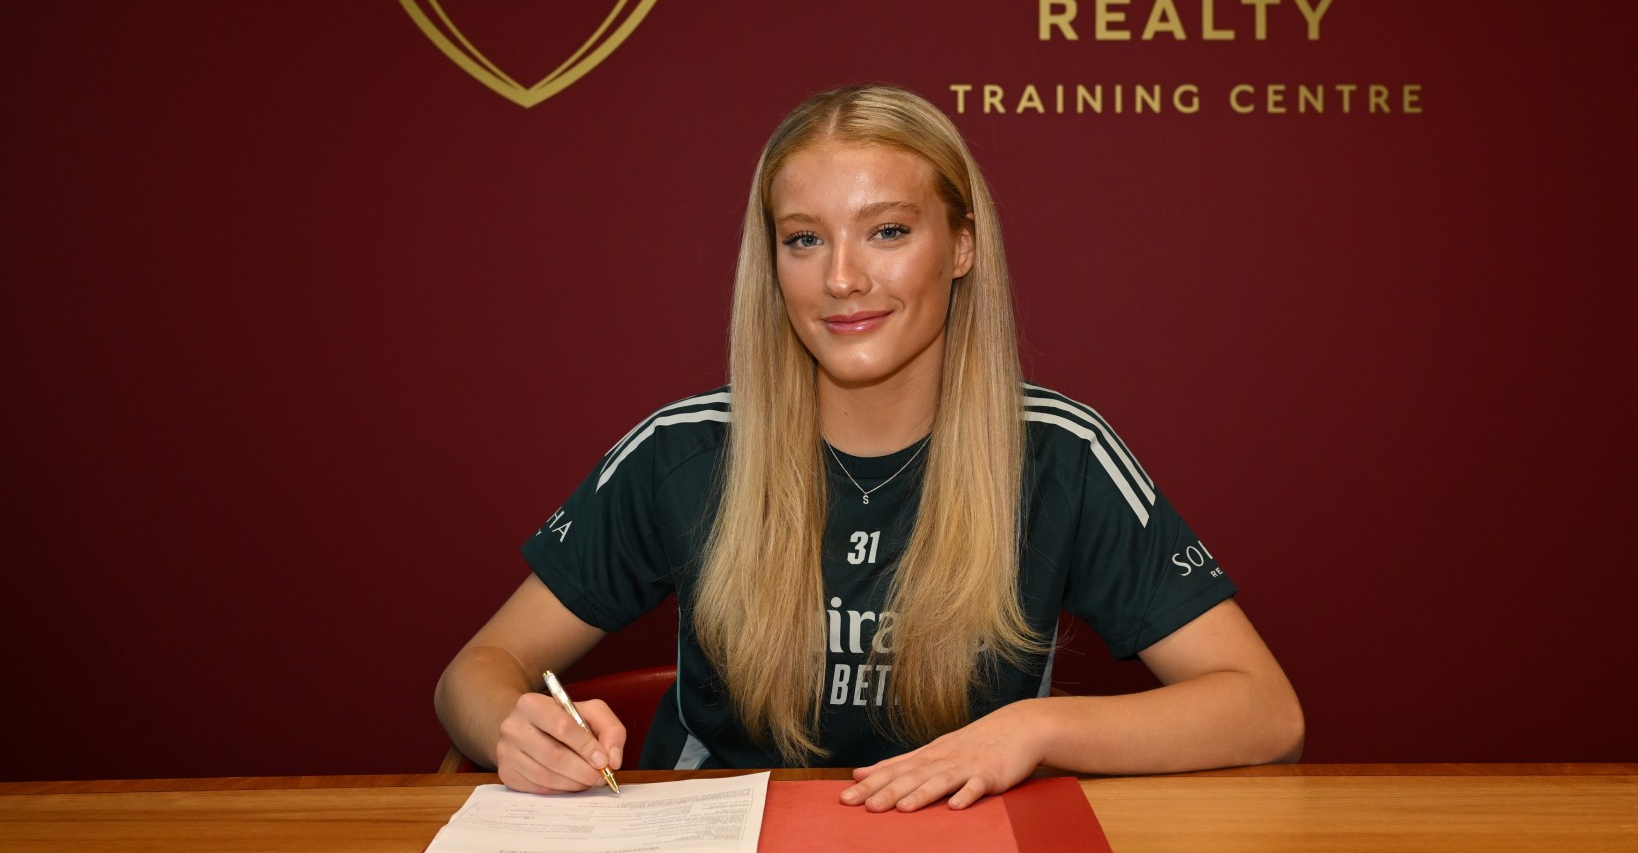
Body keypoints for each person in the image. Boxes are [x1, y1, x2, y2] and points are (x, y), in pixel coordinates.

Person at [435, 84, 1303, 811]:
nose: (842, 277)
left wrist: (1036, 729)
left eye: (887, 231)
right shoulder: (684, 451)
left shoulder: (1060, 454)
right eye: (804, 239)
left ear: (961, 246)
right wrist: (519, 728)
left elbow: (1266, 712)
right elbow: (473, 673)